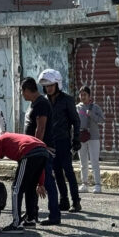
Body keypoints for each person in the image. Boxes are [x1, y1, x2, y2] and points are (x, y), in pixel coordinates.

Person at [0, 133, 49, 233]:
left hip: (29, 152)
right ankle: (30, 220)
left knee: (16, 188)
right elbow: (40, 169)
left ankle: (16, 224)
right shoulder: (12, 139)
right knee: (31, 188)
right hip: (43, 151)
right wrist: (40, 183)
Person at [38, 69, 82, 212]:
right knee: (57, 173)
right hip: (50, 144)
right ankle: (64, 201)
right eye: (46, 86)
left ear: (57, 84)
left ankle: (76, 201)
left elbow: (76, 120)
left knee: (68, 171)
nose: (48, 88)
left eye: (51, 85)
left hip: (64, 141)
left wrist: (76, 139)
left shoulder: (67, 100)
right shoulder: (43, 101)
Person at [21, 77, 61, 226]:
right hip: (36, 149)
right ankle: (32, 213)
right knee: (31, 182)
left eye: (22, 92)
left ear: (27, 90)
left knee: (48, 182)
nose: (22, 95)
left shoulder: (41, 103)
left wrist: (36, 147)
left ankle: (54, 215)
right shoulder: (35, 103)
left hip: (43, 149)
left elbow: (41, 127)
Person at [76, 86, 106, 193]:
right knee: (83, 162)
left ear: (89, 96)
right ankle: (84, 184)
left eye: (85, 94)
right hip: (81, 137)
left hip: (93, 137)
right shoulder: (77, 108)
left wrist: (91, 114)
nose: (82, 97)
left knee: (94, 161)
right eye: (81, 94)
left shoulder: (95, 107)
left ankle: (97, 185)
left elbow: (102, 120)